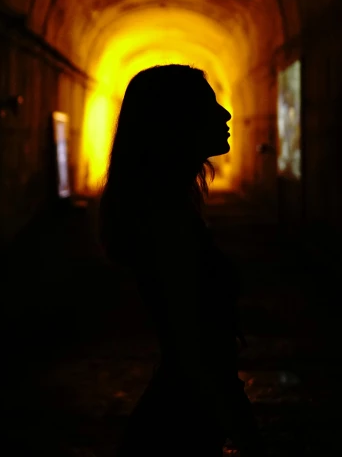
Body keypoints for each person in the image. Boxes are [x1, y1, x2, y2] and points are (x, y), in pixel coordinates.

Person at [98, 64, 264, 456]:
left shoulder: (163, 208)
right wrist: (246, 432)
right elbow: (197, 349)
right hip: (180, 424)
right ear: (175, 123)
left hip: (176, 416)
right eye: (209, 107)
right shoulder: (165, 220)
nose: (225, 115)